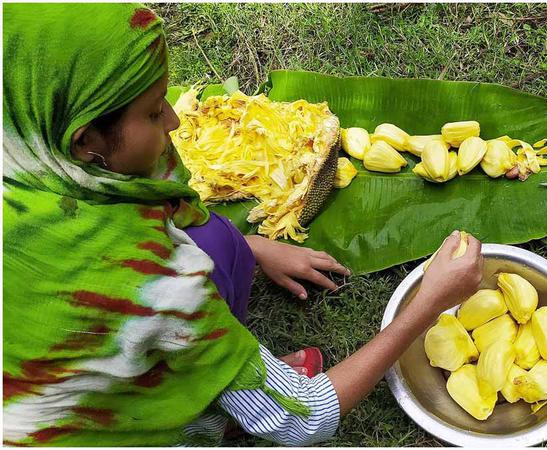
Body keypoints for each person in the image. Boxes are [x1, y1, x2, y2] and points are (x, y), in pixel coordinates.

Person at [2, 3, 483, 446]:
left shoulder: (26, 132)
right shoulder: (142, 283)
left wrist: (251, 245)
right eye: (152, 112)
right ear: (86, 140)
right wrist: (425, 306)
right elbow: (306, 420)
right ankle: (216, 413)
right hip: (88, 430)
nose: (172, 120)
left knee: (215, 238)